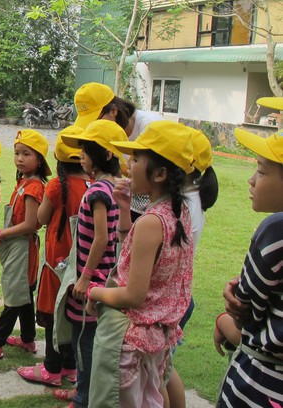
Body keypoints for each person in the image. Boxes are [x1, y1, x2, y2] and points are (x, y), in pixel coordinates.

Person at [85, 120, 195, 408]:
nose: (128, 165)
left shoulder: (151, 222)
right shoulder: (177, 213)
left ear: (159, 173)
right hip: (153, 339)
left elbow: (133, 295)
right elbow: (133, 262)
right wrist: (125, 209)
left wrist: (93, 292)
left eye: (135, 159)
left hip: (129, 340)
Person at [52, 119, 128, 408]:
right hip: (101, 275)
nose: (80, 155)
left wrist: (84, 277)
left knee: (86, 340)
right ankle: (83, 392)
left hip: (92, 280)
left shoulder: (97, 192)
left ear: (105, 154)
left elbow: (101, 238)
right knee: (89, 337)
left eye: (86, 149)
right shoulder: (110, 187)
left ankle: (82, 398)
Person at [215, 126, 283, 407]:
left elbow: (246, 313)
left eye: (262, 171)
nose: (251, 180)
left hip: (259, 387)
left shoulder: (276, 230)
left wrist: (223, 319)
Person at [17, 126, 89, 386]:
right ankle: (70, 367)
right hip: (82, 263)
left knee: (52, 313)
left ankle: (51, 368)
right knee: (72, 314)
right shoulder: (95, 184)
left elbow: (41, 218)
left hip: (56, 262)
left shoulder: (58, 185)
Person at [0, 130, 50, 359]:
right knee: (23, 293)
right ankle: (27, 340)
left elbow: (30, 224)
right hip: (17, 247)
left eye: (26, 154)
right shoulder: (23, 181)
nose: (20, 158)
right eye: (17, 153)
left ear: (40, 159)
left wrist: (3, 232)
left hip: (23, 247)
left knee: (15, 297)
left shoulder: (34, 187)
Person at [166, 126, 219, 407]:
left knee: (159, 373)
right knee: (163, 370)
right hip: (180, 297)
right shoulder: (190, 198)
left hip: (172, 300)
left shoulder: (183, 205)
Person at [73, 82, 162, 220]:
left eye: (97, 120)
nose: (95, 126)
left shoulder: (150, 129)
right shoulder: (107, 137)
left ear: (114, 110)